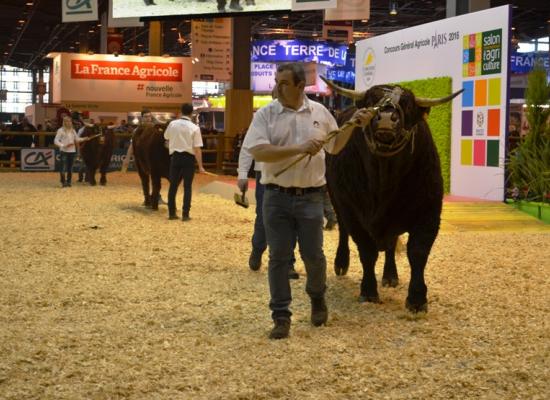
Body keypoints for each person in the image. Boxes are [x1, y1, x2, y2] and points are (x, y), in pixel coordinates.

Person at [242, 62, 374, 339]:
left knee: (314, 256)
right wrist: (298, 148)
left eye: (284, 83)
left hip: (312, 197)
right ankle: (281, 315)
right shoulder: (266, 114)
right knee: (278, 258)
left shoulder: (320, 113)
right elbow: (259, 152)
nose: (277, 87)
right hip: (275, 197)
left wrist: (353, 125)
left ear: (301, 86)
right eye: (277, 82)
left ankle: (317, 298)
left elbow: (335, 146)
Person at [237, 145, 299, 279]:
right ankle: (258, 248)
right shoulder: (263, 122)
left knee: (290, 217)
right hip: (266, 171)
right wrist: (242, 173)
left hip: (292, 170)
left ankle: (288, 262)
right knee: (263, 214)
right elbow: (249, 145)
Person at [164, 103, 206, 221]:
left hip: (175, 157)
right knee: (187, 187)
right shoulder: (195, 128)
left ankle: (172, 213)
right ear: (191, 113)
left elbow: (166, 137)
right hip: (188, 159)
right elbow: (197, 149)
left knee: (173, 186)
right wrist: (201, 167)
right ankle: (185, 214)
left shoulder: (172, 124)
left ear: (181, 112)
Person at [54, 116, 90, 187]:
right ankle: (63, 182)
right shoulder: (60, 130)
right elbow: (55, 140)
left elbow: (77, 139)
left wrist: (84, 139)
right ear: (64, 122)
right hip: (64, 151)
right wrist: (63, 145)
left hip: (72, 152)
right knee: (63, 168)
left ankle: (69, 182)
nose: (68, 123)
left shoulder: (73, 130)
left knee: (70, 168)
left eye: (70, 121)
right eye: (66, 121)